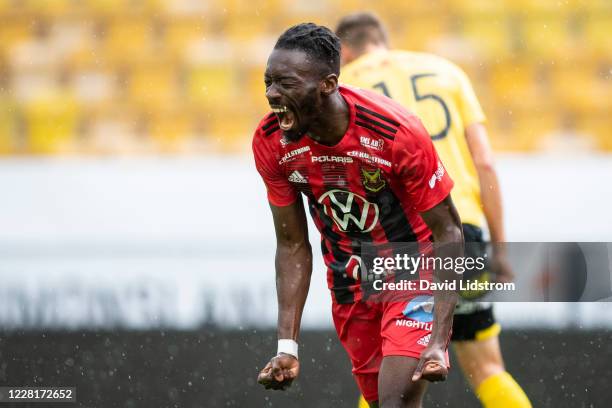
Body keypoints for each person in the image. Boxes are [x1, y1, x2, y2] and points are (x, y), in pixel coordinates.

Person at [253, 23, 465, 407]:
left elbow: (449, 231)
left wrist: (439, 339)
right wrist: (288, 346)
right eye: (268, 82)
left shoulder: (395, 132)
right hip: (350, 283)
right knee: (377, 400)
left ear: (328, 84)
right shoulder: (271, 141)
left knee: (396, 401)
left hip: (411, 268)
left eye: (285, 84)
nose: (272, 94)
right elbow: (291, 244)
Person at [335, 12, 531, 408]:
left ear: (346, 51)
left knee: (384, 375)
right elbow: (485, 163)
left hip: (397, 238)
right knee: (488, 367)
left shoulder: (348, 86)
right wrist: (500, 248)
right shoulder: (446, 72)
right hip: (461, 230)